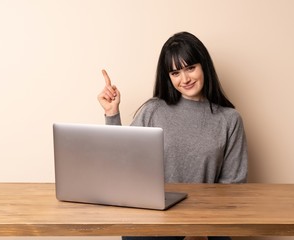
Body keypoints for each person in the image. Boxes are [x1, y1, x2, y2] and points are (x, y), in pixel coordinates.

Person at [97, 31, 248, 240]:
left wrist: (200, 230)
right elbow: (121, 160)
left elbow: (233, 188)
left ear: (204, 66)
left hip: (205, 222)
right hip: (154, 220)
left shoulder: (230, 120)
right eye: (175, 73)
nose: (184, 79)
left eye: (190, 68)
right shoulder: (154, 110)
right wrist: (112, 113)